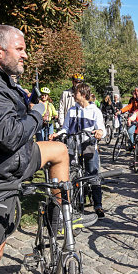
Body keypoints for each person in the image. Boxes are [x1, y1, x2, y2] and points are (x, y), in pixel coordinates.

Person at [0, 25, 95, 274]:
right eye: (20, 49)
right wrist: (38, 112)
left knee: (59, 151)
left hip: (11, 160)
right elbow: (9, 135)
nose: (25, 55)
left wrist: (29, 107)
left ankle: (59, 217)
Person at [51, 83, 106, 217]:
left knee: (93, 174)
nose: (73, 95)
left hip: (88, 145)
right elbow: (66, 128)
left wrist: (99, 133)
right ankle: (68, 203)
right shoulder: (72, 110)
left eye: (75, 93)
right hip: (73, 145)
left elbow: (102, 130)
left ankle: (98, 205)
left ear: (82, 94)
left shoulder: (94, 110)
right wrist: (57, 134)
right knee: (69, 173)